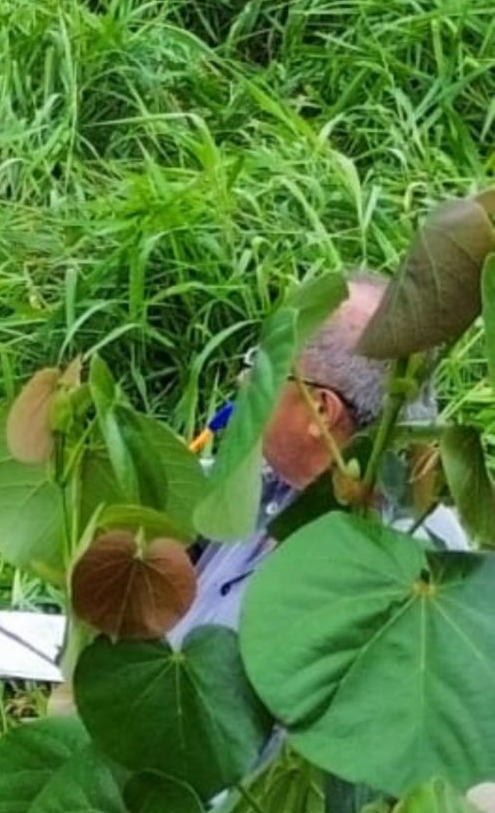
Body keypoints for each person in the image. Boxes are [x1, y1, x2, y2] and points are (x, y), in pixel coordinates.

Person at [169, 271, 461, 645]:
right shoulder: (281, 481)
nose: (244, 381)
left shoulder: (406, 565)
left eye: (267, 366)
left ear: (321, 410)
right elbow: (186, 493)